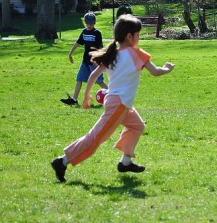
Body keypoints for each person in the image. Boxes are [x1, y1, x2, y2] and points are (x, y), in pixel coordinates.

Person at [51, 14, 175, 182]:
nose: (139, 37)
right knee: (95, 139)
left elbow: (93, 76)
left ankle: (125, 162)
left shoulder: (113, 54)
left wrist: (87, 96)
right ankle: (62, 161)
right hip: (119, 105)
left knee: (137, 126)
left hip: (118, 103)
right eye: (138, 34)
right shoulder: (137, 53)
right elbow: (155, 72)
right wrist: (167, 68)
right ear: (129, 36)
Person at [61, 12, 108, 105]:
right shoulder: (84, 32)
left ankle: (114, 95)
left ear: (94, 23)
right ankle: (74, 99)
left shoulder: (97, 33)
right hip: (85, 62)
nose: (90, 25)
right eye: (88, 23)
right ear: (85, 22)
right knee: (79, 79)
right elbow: (78, 43)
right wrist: (70, 53)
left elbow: (100, 48)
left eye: (92, 23)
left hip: (94, 62)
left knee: (99, 81)